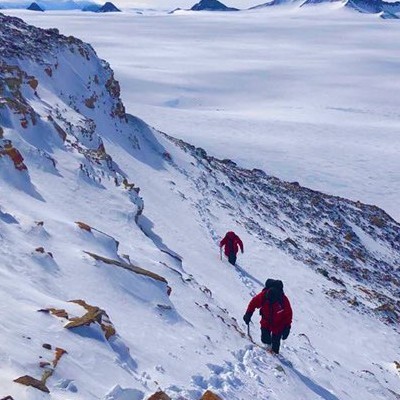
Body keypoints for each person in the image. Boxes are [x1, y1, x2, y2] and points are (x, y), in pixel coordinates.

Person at [243, 279, 292, 355]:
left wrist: (287, 327)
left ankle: (275, 356)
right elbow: (253, 303)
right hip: (266, 321)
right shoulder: (263, 295)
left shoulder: (283, 300)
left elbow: (288, 314)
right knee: (265, 339)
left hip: (279, 324)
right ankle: (267, 353)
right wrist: (248, 314)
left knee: (276, 344)